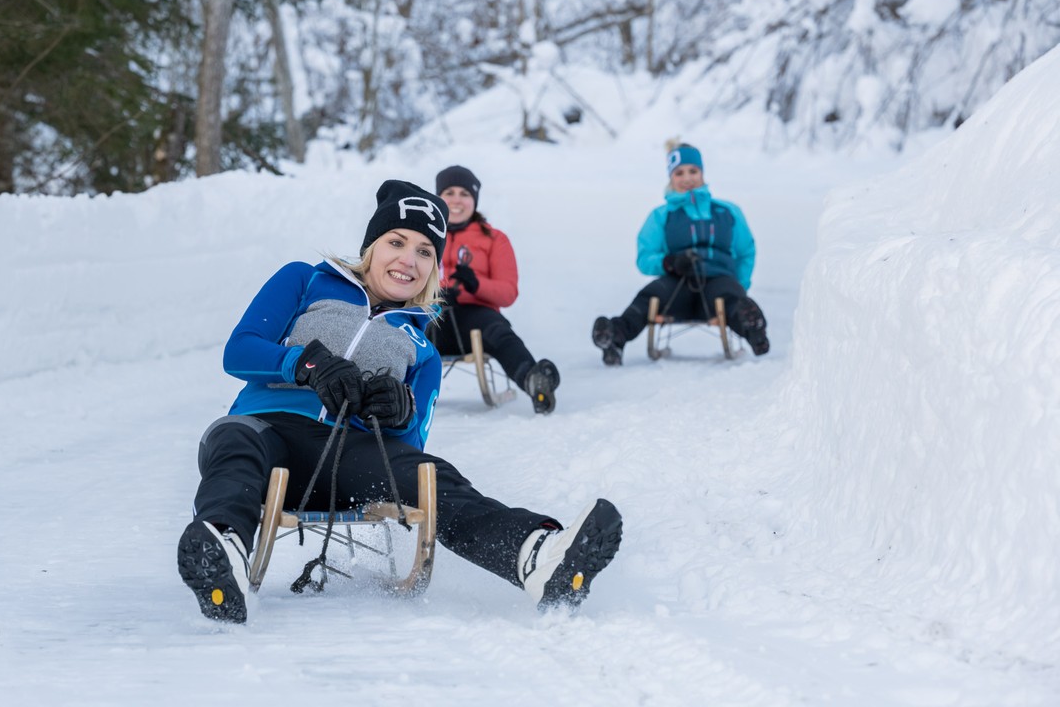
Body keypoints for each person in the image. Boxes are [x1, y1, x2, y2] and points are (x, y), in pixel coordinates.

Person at [177, 179, 622, 623]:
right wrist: (304, 365)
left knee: (430, 476)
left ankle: (537, 556)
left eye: (426, 252)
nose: (409, 260)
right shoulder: (304, 279)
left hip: (345, 461)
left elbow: (410, 447)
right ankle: (223, 551)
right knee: (234, 441)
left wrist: (399, 411)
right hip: (264, 429)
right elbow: (240, 350)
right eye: (397, 242)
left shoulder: (422, 348)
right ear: (372, 245)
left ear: (434, 268)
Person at [592, 143, 770, 364]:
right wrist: (669, 262)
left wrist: (740, 285)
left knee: (731, 299)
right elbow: (644, 258)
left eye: (693, 171)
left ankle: (753, 330)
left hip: (718, 281)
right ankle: (615, 336)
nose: (687, 178)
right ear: (671, 177)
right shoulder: (661, 216)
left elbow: (746, 251)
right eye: (679, 173)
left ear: (702, 173)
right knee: (650, 295)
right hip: (678, 285)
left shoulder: (728, 211)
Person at [431, 165, 561, 414]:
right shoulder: (423, 236)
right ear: (438, 197)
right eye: (449, 192)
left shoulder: (493, 238)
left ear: (474, 200)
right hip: (431, 319)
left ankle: (533, 380)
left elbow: (508, 292)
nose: (457, 199)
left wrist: (475, 284)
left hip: (475, 319)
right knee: (398, 331)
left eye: (464, 193)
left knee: (497, 331)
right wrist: (432, 293)